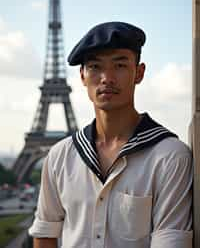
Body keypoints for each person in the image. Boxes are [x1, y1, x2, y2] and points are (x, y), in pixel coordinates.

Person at [29, 22, 193, 248]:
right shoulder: (59, 156)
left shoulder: (171, 157)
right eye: (95, 67)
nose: (107, 77)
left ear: (139, 72)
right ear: (82, 76)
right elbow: (45, 233)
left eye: (119, 65)